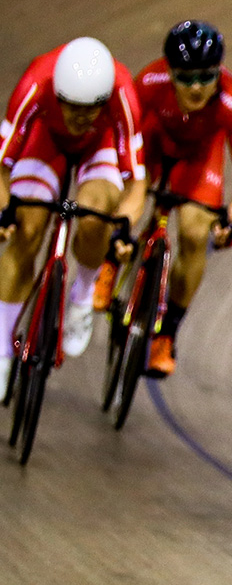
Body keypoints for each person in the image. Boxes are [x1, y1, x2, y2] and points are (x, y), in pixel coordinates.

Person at [0, 37, 147, 383]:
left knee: (96, 215)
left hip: (99, 146)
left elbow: (136, 184)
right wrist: (5, 211)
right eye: (73, 107)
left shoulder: (122, 92)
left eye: (91, 108)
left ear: (105, 99)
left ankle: (82, 296)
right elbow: (2, 167)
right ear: (58, 94)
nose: (81, 117)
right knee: (27, 232)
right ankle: (3, 349)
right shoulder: (35, 83)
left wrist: (123, 227)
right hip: (44, 141)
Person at [121, 20, 232, 377]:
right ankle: (112, 259)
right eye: (185, 78)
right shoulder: (150, 82)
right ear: (169, 73)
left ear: (219, 72)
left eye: (206, 76)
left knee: (196, 232)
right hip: (153, 144)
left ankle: (167, 333)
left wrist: (230, 216)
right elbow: (125, 134)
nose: (196, 87)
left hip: (198, 161)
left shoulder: (231, 99)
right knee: (128, 199)